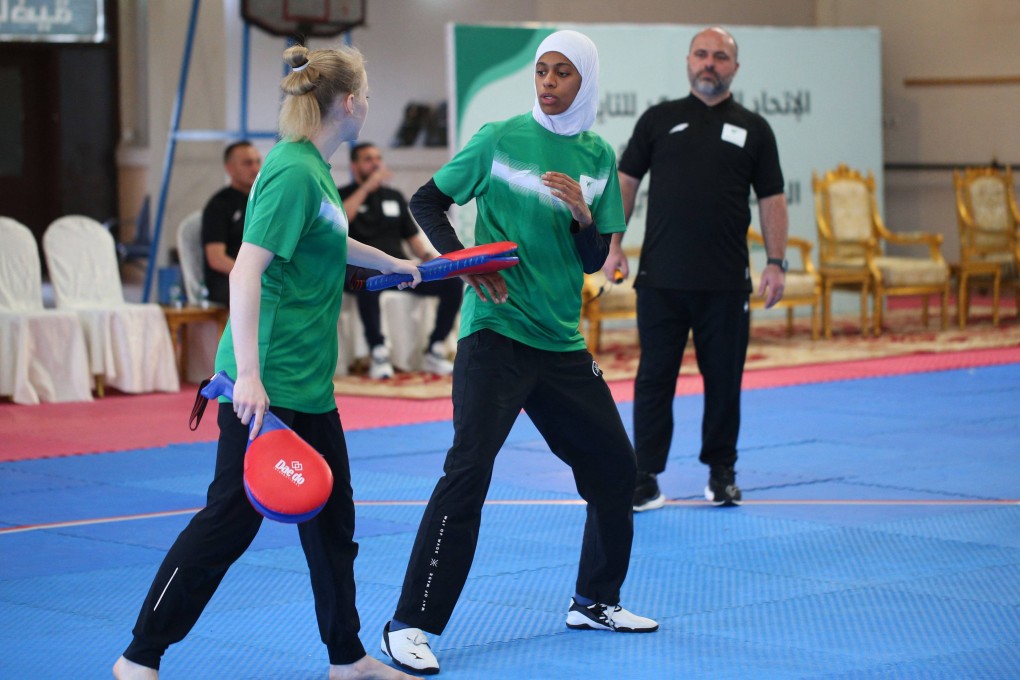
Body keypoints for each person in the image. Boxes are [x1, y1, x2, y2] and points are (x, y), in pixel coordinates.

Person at [113, 43, 424, 680]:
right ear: (349, 103)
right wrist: (249, 376)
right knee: (230, 522)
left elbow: (330, 236)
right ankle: (139, 656)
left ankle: (347, 658)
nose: (368, 104)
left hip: (308, 382)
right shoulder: (290, 170)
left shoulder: (313, 169)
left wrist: (393, 263)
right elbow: (246, 270)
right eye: (366, 95)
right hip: (267, 382)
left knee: (333, 522)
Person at [378, 30, 658, 676]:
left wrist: (584, 215)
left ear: (585, 81)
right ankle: (409, 625)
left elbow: (592, 259)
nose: (549, 82)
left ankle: (595, 600)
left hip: (560, 342)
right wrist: (465, 261)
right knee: (468, 472)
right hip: (495, 335)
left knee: (616, 469)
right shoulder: (498, 138)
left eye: (563, 73)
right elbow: (428, 201)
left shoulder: (596, 154)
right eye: (541, 70)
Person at [605, 26, 789, 512]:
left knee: (724, 381)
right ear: (688, 61)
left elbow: (772, 198)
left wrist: (775, 262)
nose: (710, 63)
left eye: (720, 56)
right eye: (702, 54)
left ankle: (721, 473)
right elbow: (626, 182)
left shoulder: (755, 128)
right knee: (654, 380)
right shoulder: (658, 119)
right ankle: (643, 476)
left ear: (735, 67)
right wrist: (613, 244)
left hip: (726, 282)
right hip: (661, 280)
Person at [339, 142, 463, 379]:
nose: (375, 164)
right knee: (369, 281)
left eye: (378, 158)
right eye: (368, 159)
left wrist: (432, 261)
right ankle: (378, 352)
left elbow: (413, 239)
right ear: (355, 166)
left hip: (398, 266)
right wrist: (366, 188)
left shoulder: (394, 197)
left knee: (452, 282)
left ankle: (435, 349)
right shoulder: (343, 195)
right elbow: (340, 224)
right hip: (361, 269)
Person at [201, 140, 262, 306]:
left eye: (257, 162)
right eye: (248, 163)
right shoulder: (218, 205)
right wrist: (251, 276)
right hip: (227, 283)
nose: (255, 169)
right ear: (229, 168)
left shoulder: (263, 201)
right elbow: (216, 258)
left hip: (257, 278)